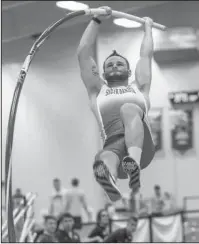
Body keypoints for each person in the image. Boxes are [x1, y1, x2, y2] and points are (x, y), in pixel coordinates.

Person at [77, 6, 155, 204]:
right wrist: (95, 20)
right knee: (103, 157)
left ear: (129, 72)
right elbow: (83, 54)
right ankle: (110, 179)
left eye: (119, 64)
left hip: (142, 148)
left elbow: (146, 55)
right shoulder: (97, 91)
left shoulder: (140, 88)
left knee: (128, 109)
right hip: (116, 150)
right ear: (102, 74)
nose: (114, 66)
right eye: (109, 65)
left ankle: (134, 164)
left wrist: (147, 29)